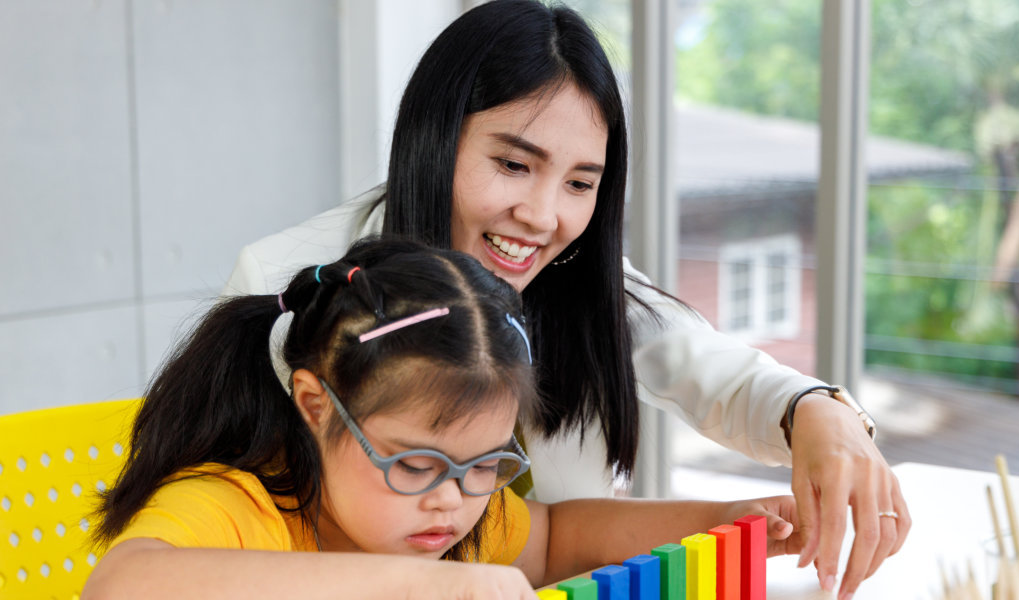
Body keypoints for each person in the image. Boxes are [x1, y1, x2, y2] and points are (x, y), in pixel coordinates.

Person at [225, 1, 905, 596]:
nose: (543, 216)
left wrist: (820, 413)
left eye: (581, 183)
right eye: (514, 165)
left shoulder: (577, 281)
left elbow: (718, 373)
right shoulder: (290, 283)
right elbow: (222, 552)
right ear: (435, 140)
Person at [86, 239, 799, 599]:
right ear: (314, 405)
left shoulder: (446, 506)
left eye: (486, 464)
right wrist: (422, 582)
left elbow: (555, 540)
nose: (453, 499)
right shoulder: (240, 508)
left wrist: (735, 517)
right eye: (415, 463)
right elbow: (122, 585)